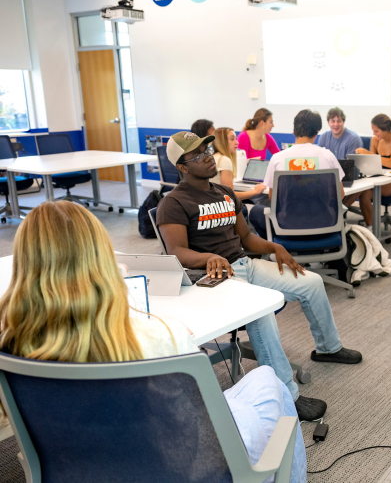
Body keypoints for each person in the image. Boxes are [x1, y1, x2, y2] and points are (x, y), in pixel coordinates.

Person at [0, 201, 308, 483]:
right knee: (268, 381)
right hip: (178, 466)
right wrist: (173, 334)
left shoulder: (11, 341)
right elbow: (198, 422)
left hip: (82, 464)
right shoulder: (159, 335)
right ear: (102, 257)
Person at [156, 131, 361, 422]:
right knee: (261, 312)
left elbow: (247, 238)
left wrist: (274, 246)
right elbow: (176, 251)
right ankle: (287, 396)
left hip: (243, 265)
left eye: (207, 150)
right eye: (198, 155)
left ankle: (328, 348)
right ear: (182, 166)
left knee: (312, 282)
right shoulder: (174, 203)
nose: (208, 157)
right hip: (211, 278)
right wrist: (208, 257)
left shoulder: (224, 193)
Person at [248, 110, 346, 240]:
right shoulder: (328, 156)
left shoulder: (278, 158)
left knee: (255, 211)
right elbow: (340, 195)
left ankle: (277, 248)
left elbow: (273, 197)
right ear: (317, 132)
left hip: (287, 226)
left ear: (294, 130)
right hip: (324, 225)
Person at [344, 114, 391, 226]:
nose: (374, 134)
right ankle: (371, 229)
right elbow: (370, 162)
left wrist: (368, 154)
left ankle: (341, 210)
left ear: (385, 130)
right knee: (364, 193)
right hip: (376, 177)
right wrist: (359, 158)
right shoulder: (375, 140)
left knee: (363, 186)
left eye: (376, 131)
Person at [211, 126, 267, 201]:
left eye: (236, 139)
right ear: (222, 141)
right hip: (220, 206)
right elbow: (230, 195)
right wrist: (255, 191)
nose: (237, 142)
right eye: (232, 139)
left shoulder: (214, 157)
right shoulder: (224, 160)